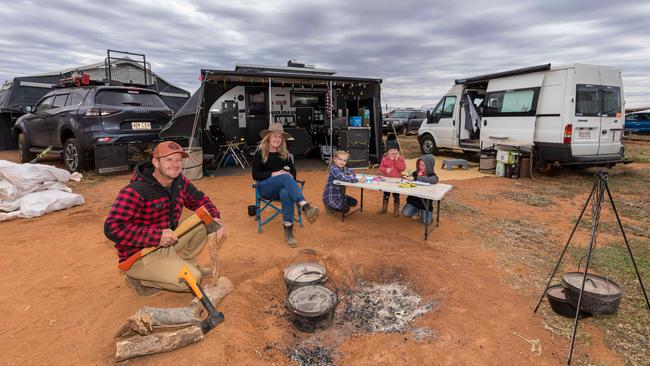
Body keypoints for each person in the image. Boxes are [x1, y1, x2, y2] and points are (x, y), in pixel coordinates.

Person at [105, 141, 224, 297]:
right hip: (140, 255)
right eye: (169, 159)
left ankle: (189, 263)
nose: (175, 164)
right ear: (155, 162)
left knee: (205, 220)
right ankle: (139, 278)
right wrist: (156, 236)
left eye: (179, 160)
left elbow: (199, 199)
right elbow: (112, 228)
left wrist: (215, 217)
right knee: (192, 280)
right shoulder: (135, 191)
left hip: (167, 242)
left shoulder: (179, 182)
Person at [252, 123, 319, 247]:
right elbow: (255, 175)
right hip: (266, 188)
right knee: (283, 176)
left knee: (286, 192)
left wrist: (287, 176)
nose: (277, 139)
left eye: (280, 137)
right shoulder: (260, 153)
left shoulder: (285, 155)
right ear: (268, 137)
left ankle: (288, 232)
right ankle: (305, 206)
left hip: (281, 188)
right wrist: (275, 174)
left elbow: (293, 173)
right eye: (275, 136)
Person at [402, 154, 439, 224]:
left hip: (425, 205)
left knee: (427, 222)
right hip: (413, 201)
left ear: (429, 166)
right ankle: (417, 210)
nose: (420, 166)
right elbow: (410, 178)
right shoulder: (415, 173)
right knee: (405, 213)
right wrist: (408, 177)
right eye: (420, 164)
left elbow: (434, 180)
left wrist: (417, 178)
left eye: (423, 165)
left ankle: (423, 211)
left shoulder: (432, 175)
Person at [378, 139, 406, 216]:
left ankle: (396, 209)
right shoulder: (385, 159)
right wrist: (386, 169)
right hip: (387, 181)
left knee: (396, 195)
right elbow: (381, 168)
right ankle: (384, 207)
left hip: (397, 181)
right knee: (386, 194)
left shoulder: (400, 159)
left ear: (398, 151)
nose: (393, 152)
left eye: (395, 150)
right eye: (391, 150)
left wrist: (396, 161)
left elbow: (402, 168)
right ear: (387, 151)